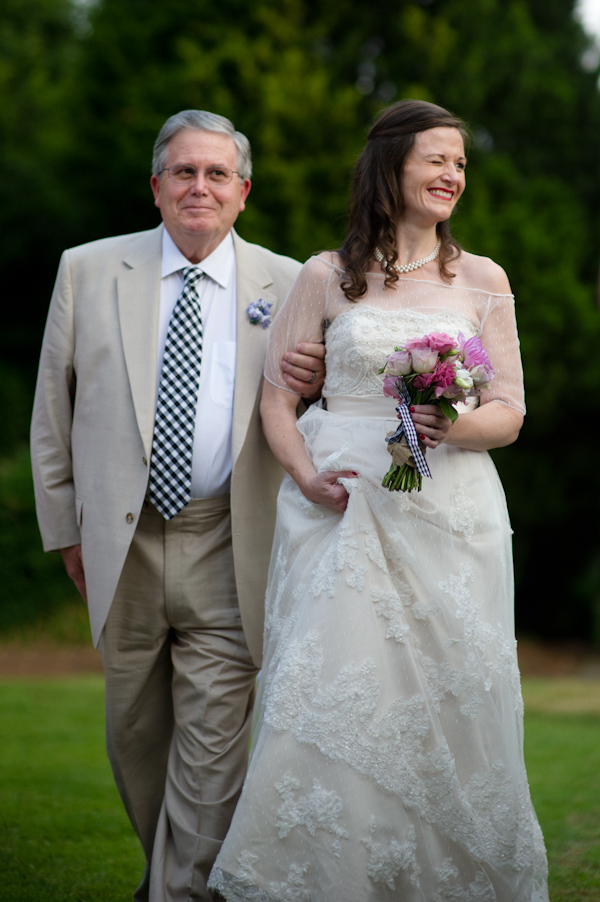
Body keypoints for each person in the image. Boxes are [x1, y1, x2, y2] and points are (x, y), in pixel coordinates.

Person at [208, 100, 549, 901]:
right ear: (391, 167)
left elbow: (510, 412)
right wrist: (304, 477)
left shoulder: (484, 279)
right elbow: (274, 404)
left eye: (460, 163)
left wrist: (452, 422)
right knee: (336, 687)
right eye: (436, 159)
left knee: (453, 693)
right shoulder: (326, 274)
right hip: (345, 509)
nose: (451, 176)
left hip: (452, 515)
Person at [30, 109, 326, 902]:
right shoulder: (87, 270)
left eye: (217, 174)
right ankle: (175, 873)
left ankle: (179, 891)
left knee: (214, 743)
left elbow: (318, 409)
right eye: (184, 173)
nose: (201, 187)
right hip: (119, 547)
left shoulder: (291, 280)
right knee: (135, 733)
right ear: (157, 187)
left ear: (243, 192)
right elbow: (50, 419)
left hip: (231, 541)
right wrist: (66, 536)